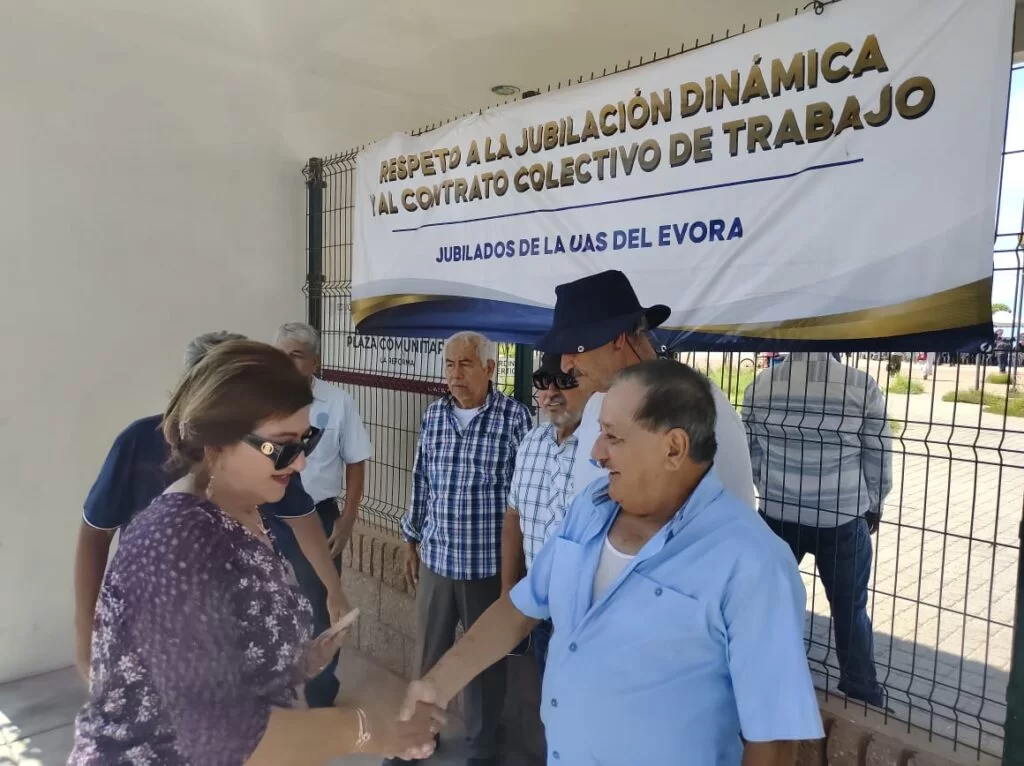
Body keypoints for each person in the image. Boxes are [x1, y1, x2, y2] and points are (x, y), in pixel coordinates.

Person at [396, 360, 824, 765]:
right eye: (599, 433)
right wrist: (438, 683)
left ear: (674, 448)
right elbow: (520, 608)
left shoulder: (752, 562)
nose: (596, 453)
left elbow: (773, 739)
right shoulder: (591, 508)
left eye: (613, 438)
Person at [69, 341, 444, 764]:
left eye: (305, 441)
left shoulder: (245, 509)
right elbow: (222, 733)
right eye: (281, 446)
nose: (299, 463)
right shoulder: (177, 543)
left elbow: (218, 653)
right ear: (217, 444)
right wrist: (365, 729)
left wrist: (298, 660)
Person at [73, 331, 345, 685]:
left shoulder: (264, 468)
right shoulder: (173, 525)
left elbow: (301, 520)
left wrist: (329, 598)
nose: (299, 463)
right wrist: (85, 639)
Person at [393, 331, 532, 766]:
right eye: (450, 364)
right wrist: (410, 538)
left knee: (484, 665)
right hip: (437, 559)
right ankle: (417, 739)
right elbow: (421, 481)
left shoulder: (515, 419)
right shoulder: (435, 415)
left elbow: (521, 500)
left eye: (466, 364)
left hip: (486, 566)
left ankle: (481, 750)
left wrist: (517, 568)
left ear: (490, 368)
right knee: (428, 659)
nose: (455, 374)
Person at [742, 351, 892, 707]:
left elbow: (751, 450)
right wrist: (874, 503)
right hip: (841, 516)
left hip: (778, 514)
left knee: (770, 600)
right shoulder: (861, 385)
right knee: (849, 607)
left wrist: (770, 488)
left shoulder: (761, 385)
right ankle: (862, 691)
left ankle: (764, 676)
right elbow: (878, 453)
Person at [535, 269, 756, 508]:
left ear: (617, 338)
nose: (565, 365)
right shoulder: (596, 404)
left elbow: (730, 517)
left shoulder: (700, 406)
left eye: (574, 348)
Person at [275, 321, 373, 708]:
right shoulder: (261, 400)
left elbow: (356, 461)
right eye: (281, 355)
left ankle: (320, 692)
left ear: (315, 361)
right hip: (270, 516)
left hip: (319, 516)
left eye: (296, 355)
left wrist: (347, 519)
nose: (287, 363)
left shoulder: (338, 402)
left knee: (323, 605)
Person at [501, 353, 590, 674]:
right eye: (542, 381)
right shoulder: (531, 442)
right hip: (538, 610)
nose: (551, 392)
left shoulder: (602, 449)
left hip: (585, 616)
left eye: (564, 381)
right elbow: (514, 515)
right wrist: (507, 591)